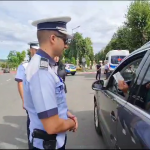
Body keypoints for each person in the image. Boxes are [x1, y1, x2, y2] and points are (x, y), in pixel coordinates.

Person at [23, 16, 78, 150]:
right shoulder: (42, 72)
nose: (66, 45)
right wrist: (72, 123)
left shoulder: (46, 66)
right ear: (53, 38)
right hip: (47, 145)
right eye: (65, 40)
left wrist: (64, 114)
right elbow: (52, 126)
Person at [15, 42, 39, 149]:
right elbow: (20, 82)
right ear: (31, 50)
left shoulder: (43, 63)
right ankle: (32, 145)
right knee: (32, 123)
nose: (38, 52)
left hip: (43, 99)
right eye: (35, 50)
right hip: (31, 101)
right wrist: (24, 100)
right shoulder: (24, 66)